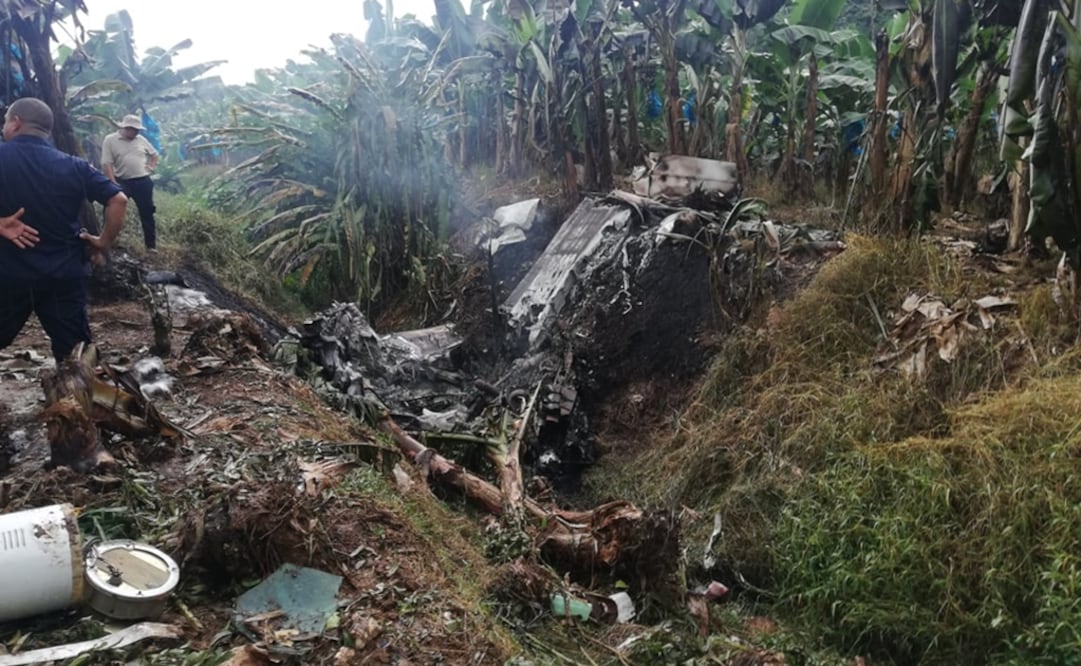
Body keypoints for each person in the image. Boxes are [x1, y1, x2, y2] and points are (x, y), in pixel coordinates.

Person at [0, 97, 127, 362]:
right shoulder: (74, 165)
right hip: (63, 275)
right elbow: (118, 200)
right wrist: (103, 242)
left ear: (16, 122)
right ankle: (78, 402)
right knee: (75, 355)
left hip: (8, 275)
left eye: (5, 121)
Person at [101, 113, 158, 251]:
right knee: (111, 209)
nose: (136, 132)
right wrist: (113, 183)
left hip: (142, 181)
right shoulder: (110, 140)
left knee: (147, 212)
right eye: (134, 129)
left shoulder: (141, 140)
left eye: (138, 130)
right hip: (121, 181)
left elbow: (154, 155)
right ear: (126, 128)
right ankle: (106, 240)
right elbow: (106, 163)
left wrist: (151, 166)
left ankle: (150, 246)